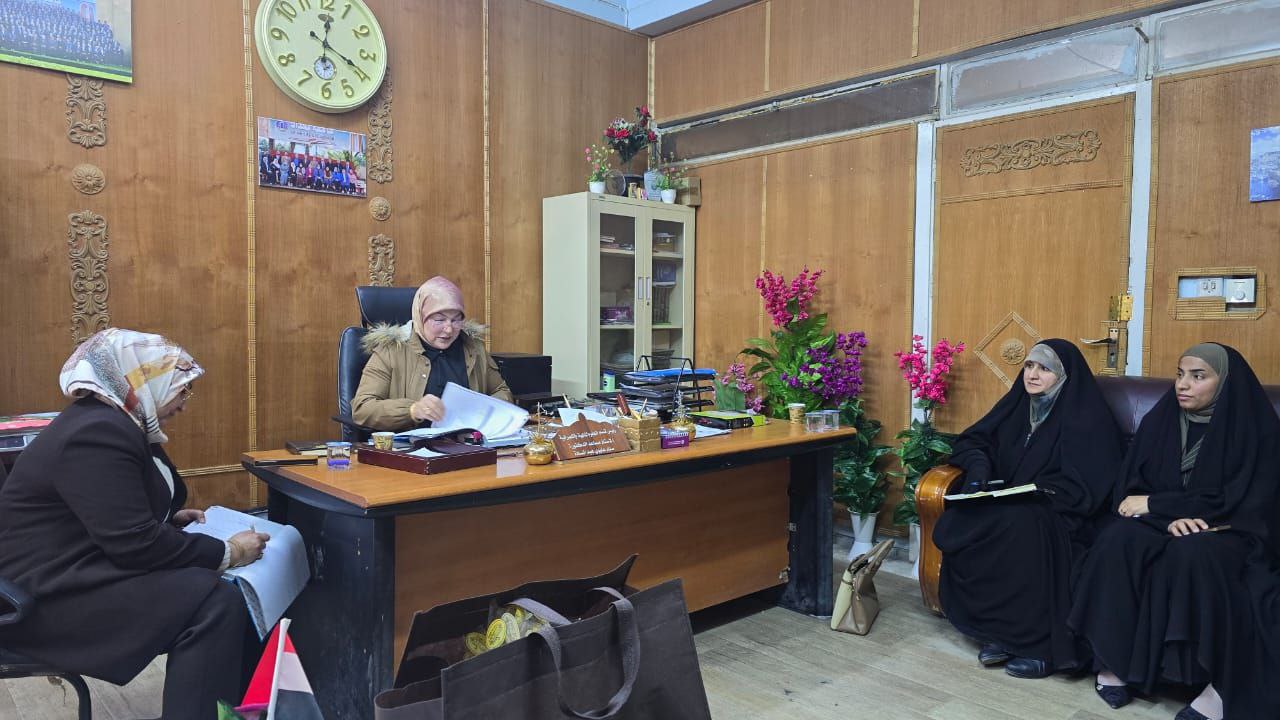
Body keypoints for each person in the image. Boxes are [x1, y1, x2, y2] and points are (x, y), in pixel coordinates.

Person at [0, 329, 270, 720]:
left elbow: (108, 511)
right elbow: (135, 544)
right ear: (141, 379)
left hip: (72, 570)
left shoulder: (117, 421)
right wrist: (230, 551)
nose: (184, 403)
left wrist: (167, 519)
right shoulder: (96, 433)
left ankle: (229, 710)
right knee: (213, 600)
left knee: (222, 590)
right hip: (40, 600)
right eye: (181, 388)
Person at [1068, 343, 1280, 720]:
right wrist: (1166, 518)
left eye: (1198, 377)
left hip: (1229, 529)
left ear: (1225, 381)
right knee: (1117, 540)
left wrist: (1165, 507)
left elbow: (1248, 501)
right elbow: (1129, 494)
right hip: (1161, 523)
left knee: (1193, 552)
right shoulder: (1161, 420)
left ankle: (1218, 686)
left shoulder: (1255, 430)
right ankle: (1114, 660)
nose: (1183, 385)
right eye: (1181, 374)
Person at [933, 339, 1122, 679]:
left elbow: (1091, 481)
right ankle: (999, 632)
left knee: (1021, 526)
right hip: (1013, 502)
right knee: (965, 517)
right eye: (1029, 366)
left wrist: (1042, 492)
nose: (1033, 375)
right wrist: (979, 470)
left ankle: (1038, 646)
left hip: (1062, 513)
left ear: (1064, 376)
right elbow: (974, 440)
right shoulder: (1019, 405)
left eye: (1045, 369)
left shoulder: (1086, 417)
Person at [352, 276, 514, 432]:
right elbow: (362, 409)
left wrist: (483, 409)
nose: (449, 329)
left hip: (468, 444)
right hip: (412, 446)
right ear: (420, 317)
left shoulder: (473, 349)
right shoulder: (391, 351)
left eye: (456, 320)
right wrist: (412, 409)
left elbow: (501, 391)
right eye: (439, 320)